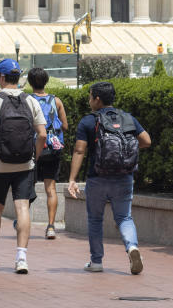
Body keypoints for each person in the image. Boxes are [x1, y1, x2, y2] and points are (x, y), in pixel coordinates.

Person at [67, 81, 151, 275]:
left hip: (97, 178)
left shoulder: (88, 121)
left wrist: (72, 178)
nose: (89, 101)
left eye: (90, 97)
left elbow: (80, 150)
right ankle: (132, 247)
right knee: (124, 217)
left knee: (95, 219)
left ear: (97, 99)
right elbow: (146, 140)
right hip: (124, 177)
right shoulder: (128, 118)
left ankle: (96, 262)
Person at [0, 58, 46, 274]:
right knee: (22, 207)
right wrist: (35, 156)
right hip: (25, 165)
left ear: (2, 77)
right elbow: (42, 134)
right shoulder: (31, 101)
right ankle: (21, 257)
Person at [28, 66, 68, 239]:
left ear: (30, 82)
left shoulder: (26, 100)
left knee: (25, 186)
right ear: (46, 81)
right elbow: (65, 126)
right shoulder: (56, 101)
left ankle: (22, 222)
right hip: (52, 149)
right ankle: (51, 226)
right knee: (50, 188)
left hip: (31, 147)